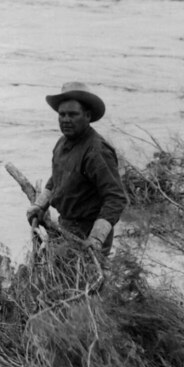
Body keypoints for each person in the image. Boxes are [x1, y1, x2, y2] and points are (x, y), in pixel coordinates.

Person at [26, 82, 127, 255]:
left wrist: (96, 238)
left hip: (88, 232)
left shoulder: (97, 151)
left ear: (87, 116)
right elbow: (57, 179)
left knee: (82, 280)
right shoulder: (62, 143)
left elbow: (116, 198)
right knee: (57, 276)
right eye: (62, 114)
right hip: (65, 226)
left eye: (73, 114)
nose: (66, 119)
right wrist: (40, 205)